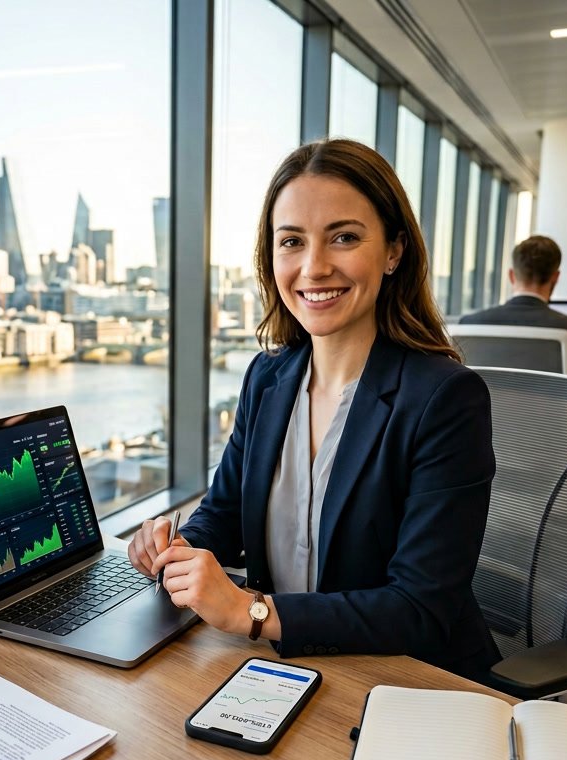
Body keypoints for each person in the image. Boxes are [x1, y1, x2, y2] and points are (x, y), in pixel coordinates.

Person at [127, 139, 500, 679]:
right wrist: (176, 547)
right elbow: (226, 513)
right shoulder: (267, 378)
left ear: (394, 251)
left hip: (407, 682)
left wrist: (250, 612)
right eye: (292, 242)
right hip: (284, 664)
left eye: (344, 237)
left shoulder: (445, 399)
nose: (314, 267)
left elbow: (420, 609)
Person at [460, 236, 567, 382]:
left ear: (511, 276)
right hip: (552, 409)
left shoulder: (468, 324)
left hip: (486, 409)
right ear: (555, 277)